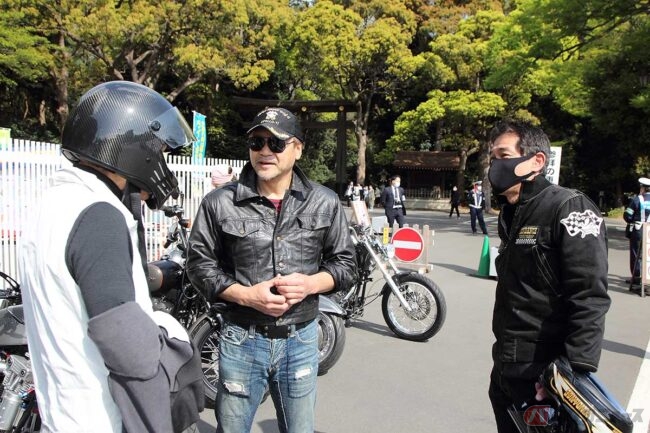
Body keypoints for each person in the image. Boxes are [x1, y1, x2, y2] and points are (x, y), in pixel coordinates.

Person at [17, 81, 204, 432]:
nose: (163, 165)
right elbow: (133, 352)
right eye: (162, 153)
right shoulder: (98, 215)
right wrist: (171, 331)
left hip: (61, 414)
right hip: (100, 418)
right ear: (135, 149)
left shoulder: (54, 201)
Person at [186, 107, 356, 433]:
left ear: (298, 148)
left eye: (276, 143)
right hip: (241, 338)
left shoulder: (325, 201)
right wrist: (245, 295)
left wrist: (310, 284)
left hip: (301, 339)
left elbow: (346, 264)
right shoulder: (219, 202)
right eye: (257, 142)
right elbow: (198, 264)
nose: (265, 151)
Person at [486, 120, 611, 433]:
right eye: (492, 158)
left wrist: (572, 374)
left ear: (537, 161)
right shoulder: (511, 212)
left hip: (545, 377)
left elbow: (589, 295)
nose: (495, 165)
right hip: (506, 368)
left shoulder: (569, 207)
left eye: (503, 155)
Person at [623, 177, 650, 287]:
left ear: (642, 188)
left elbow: (627, 216)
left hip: (638, 230)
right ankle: (648, 277)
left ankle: (636, 277)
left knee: (636, 254)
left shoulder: (637, 199)